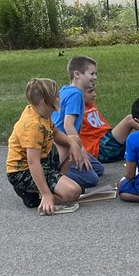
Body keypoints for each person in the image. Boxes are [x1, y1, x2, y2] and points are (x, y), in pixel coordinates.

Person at [5, 77, 83, 214]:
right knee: (74, 192)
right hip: (23, 172)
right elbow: (33, 162)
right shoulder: (32, 126)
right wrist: (46, 194)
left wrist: (73, 144)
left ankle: (55, 184)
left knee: (74, 141)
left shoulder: (43, 112)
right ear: (44, 101)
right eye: (57, 96)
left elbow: (56, 133)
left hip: (45, 161)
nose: (60, 98)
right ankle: (39, 196)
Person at [51, 54, 105, 188]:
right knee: (91, 179)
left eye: (96, 74)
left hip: (61, 142)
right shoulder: (76, 94)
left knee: (98, 168)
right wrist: (80, 149)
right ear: (77, 74)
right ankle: (52, 174)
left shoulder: (66, 89)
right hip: (62, 145)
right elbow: (68, 125)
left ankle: (67, 165)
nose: (95, 77)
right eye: (92, 73)